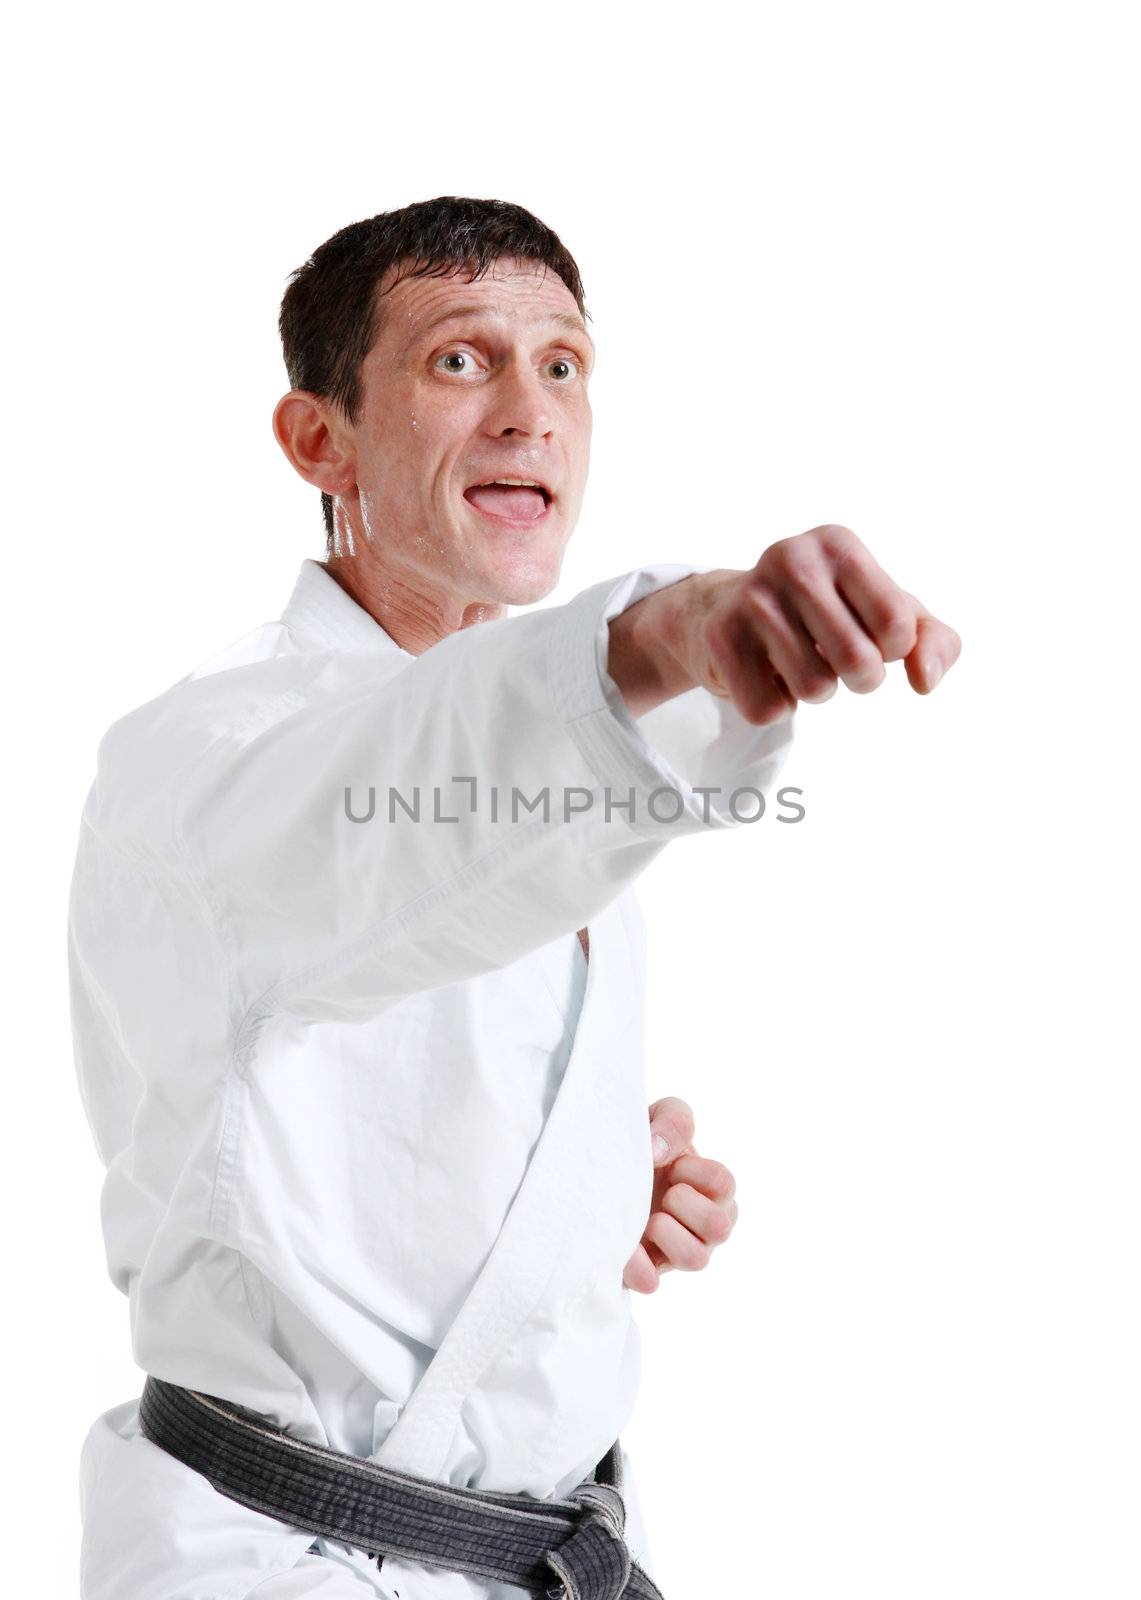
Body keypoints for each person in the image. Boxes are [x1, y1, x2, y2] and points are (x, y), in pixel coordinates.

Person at [69, 196, 960, 1600]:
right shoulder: (213, 752)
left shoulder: (507, 748)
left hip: (548, 1548)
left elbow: (378, 1006)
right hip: (293, 1557)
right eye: (458, 361)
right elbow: (397, 810)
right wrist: (657, 634)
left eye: (562, 365)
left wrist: (579, 1184)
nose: (528, 410)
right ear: (320, 440)